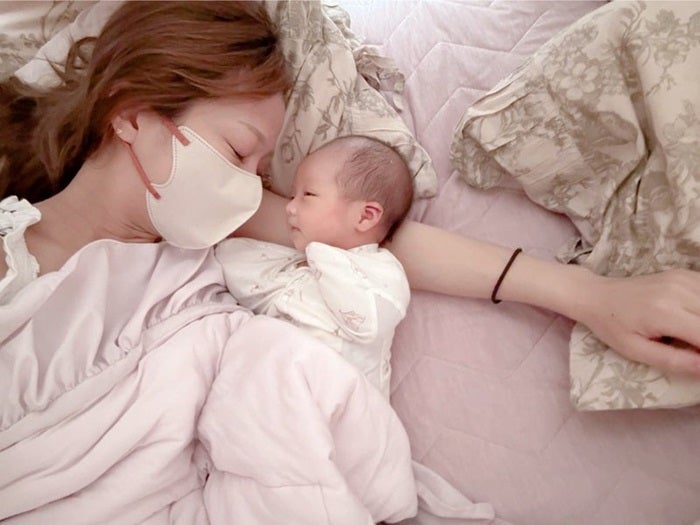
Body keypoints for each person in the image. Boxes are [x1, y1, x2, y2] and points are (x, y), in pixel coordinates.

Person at [216, 135, 413, 398]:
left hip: (342, 398)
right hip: (275, 387)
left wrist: (321, 253)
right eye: (292, 196)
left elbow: (366, 325)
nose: (290, 207)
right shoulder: (297, 263)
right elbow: (231, 263)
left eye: (307, 195)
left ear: (365, 216)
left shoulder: (382, 271)